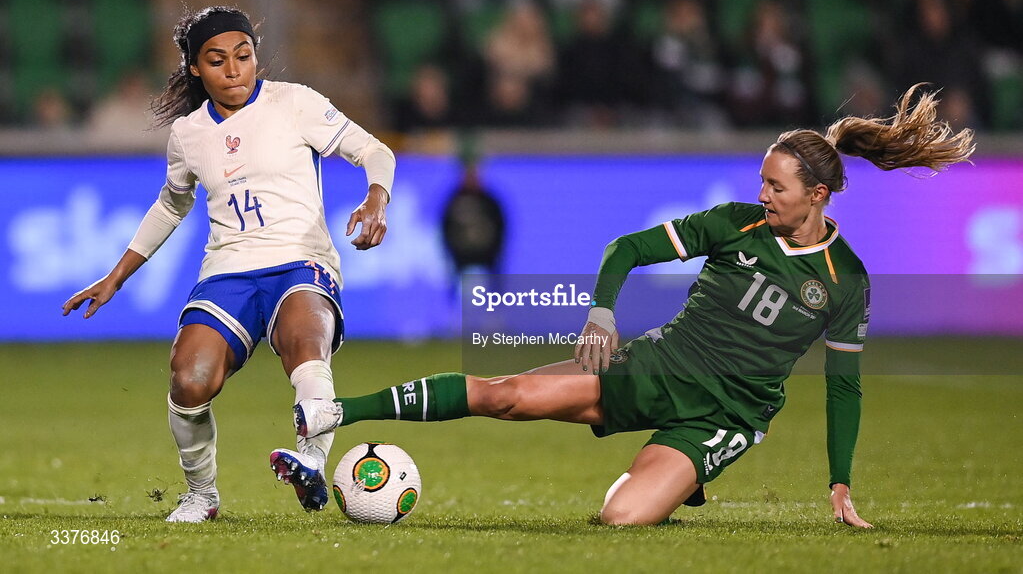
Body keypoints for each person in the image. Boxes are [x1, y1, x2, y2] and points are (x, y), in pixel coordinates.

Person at [294, 85, 974, 526]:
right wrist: (601, 312)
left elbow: (844, 385)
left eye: (775, 186)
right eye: (761, 181)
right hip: (652, 366)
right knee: (506, 394)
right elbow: (626, 248)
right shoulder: (736, 223)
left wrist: (839, 485)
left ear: (817, 196)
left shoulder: (845, 279)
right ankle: (336, 410)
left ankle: (682, 477)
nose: (762, 194)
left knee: (620, 519)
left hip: (723, 415)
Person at [61, 6, 396, 522]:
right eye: (218, 61)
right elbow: (172, 203)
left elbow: (375, 151)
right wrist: (115, 276)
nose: (235, 69)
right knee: (190, 379)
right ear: (196, 68)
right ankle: (202, 494)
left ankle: (310, 460)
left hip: (300, 262)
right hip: (228, 272)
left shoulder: (295, 102)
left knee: (307, 342)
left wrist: (376, 198)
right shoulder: (189, 135)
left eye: (244, 56)